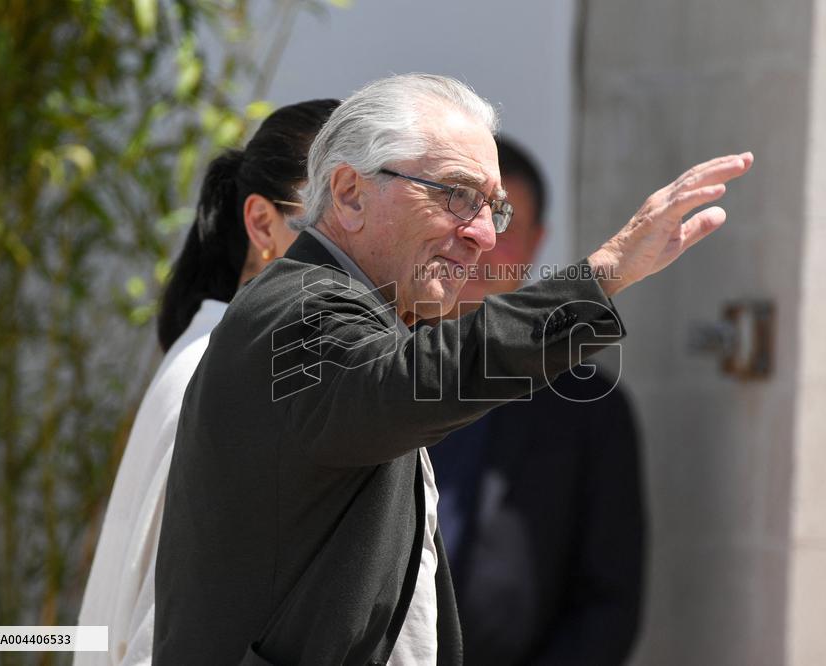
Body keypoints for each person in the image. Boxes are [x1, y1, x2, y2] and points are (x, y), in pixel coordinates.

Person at [153, 73, 753, 666]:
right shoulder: (294, 310)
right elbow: (408, 383)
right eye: (457, 195)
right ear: (350, 193)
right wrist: (604, 273)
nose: (483, 235)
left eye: (494, 209)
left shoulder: (356, 315)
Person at [75, 98, 339, 666]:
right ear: (262, 223)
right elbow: (167, 621)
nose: (360, 251)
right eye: (334, 218)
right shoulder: (227, 371)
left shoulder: (230, 351)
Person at [429, 136, 646, 665]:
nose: (480, 243)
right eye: (461, 219)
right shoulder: (372, 363)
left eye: (503, 224)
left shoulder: (587, 405)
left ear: (536, 243)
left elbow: (608, 602)